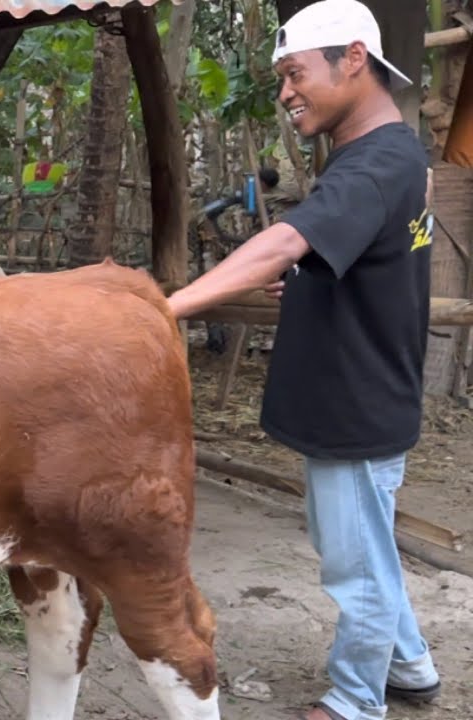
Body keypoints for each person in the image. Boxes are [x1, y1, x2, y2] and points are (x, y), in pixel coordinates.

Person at [165, 2, 442, 719]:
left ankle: (355, 698)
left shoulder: (375, 164)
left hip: (356, 402)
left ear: (353, 59)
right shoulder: (393, 155)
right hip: (365, 390)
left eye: (294, 74)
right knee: (363, 545)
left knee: (356, 562)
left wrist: (163, 309)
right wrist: (313, 283)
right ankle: (409, 663)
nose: (286, 93)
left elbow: (286, 240)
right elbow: (368, 257)